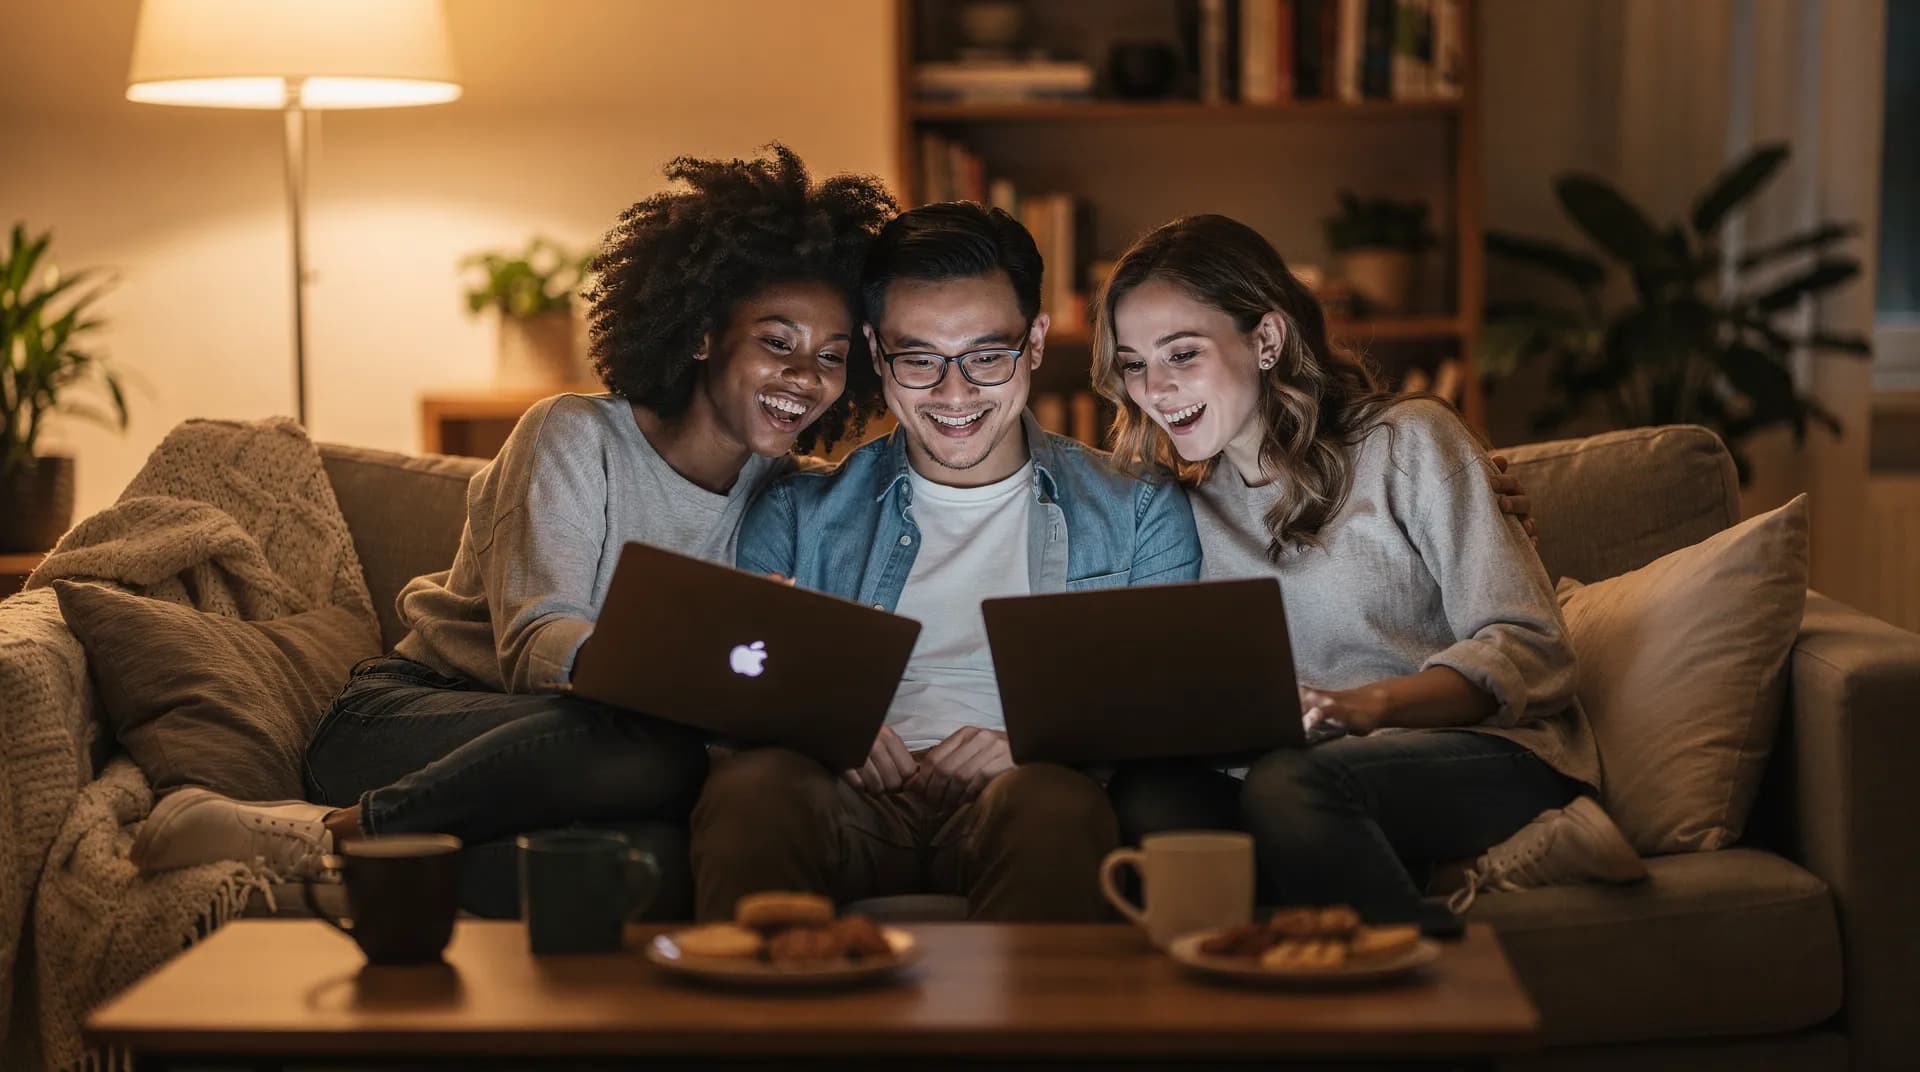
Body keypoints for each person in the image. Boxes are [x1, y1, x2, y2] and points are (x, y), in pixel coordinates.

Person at [130, 145, 898, 879]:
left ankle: (381, 878)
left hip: (594, 756)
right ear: (701, 334)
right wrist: (714, 702)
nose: (807, 377)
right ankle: (330, 835)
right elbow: (540, 642)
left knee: (654, 857)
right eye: (777, 342)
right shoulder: (575, 433)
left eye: (832, 356)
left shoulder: (794, 492)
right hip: (415, 719)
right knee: (657, 752)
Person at [1094, 214, 1644, 923]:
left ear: (1266, 339)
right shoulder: (1184, 516)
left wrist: (1364, 706)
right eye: (1135, 364)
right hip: (1302, 771)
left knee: (1289, 787)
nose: (1157, 388)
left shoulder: (1410, 442)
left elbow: (1533, 648)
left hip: (1481, 753)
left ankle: (1423, 988)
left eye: (1182, 354)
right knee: (1150, 796)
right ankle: (1400, 901)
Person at [688, 202, 1202, 922]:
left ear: (1035, 342)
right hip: (846, 795)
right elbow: (734, 680)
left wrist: (1033, 744)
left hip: (1025, 794)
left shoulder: (1136, 505)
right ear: (874, 348)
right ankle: (763, 1035)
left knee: (1052, 802)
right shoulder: (799, 507)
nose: (954, 395)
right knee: (754, 789)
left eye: (987, 357)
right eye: (920, 359)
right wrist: (825, 727)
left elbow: (1169, 692)